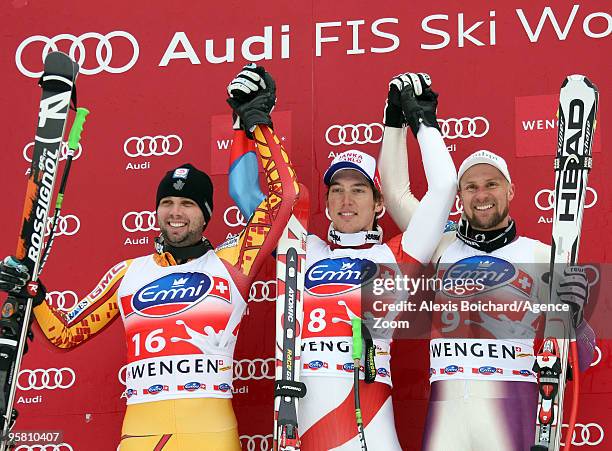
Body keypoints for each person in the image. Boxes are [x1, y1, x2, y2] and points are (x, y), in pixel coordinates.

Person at [0, 66, 298, 451]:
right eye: (167, 203)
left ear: (206, 214)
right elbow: (66, 334)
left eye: (188, 204)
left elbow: (284, 196)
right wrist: (35, 297)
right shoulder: (129, 273)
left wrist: (257, 125)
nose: (176, 212)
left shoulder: (233, 261)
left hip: (209, 436)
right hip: (140, 436)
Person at [229, 67, 457, 450]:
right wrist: (244, 125)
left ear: (379, 202)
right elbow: (246, 193)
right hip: (301, 431)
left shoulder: (398, 255)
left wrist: (422, 122)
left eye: (358, 190)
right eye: (336, 190)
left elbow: (445, 187)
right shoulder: (301, 252)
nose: (346, 201)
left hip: (372, 432)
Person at [377, 73, 596, 451]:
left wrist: (575, 320)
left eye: (491, 184)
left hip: (515, 416)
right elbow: (396, 193)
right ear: (459, 195)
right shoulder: (440, 244)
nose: (482, 195)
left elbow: (587, 358)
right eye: (471, 186)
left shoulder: (543, 254)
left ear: (510, 190)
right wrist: (396, 120)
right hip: (447, 419)